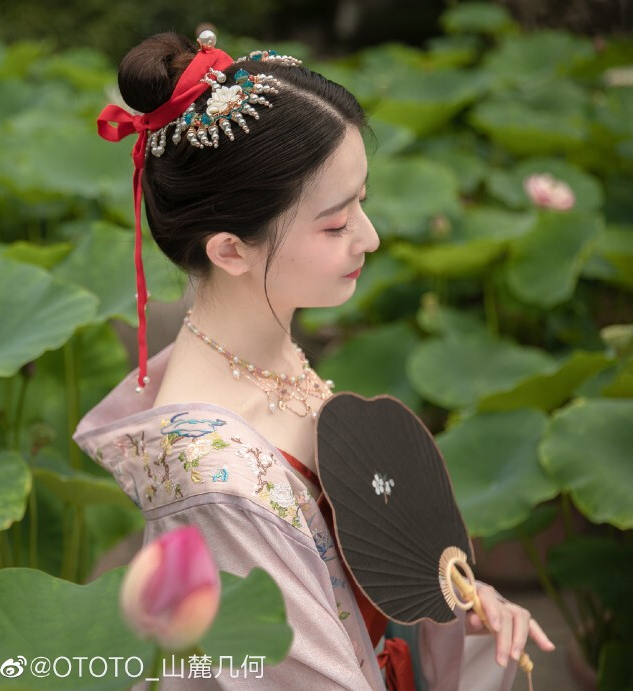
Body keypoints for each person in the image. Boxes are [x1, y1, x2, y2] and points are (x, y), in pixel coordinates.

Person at [75, 30, 556, 690]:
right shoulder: (214, 479)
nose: (371, 236)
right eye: (335, 223)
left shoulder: (261, 352)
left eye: (362, 200)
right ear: (230, 251)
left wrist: (455, 602)